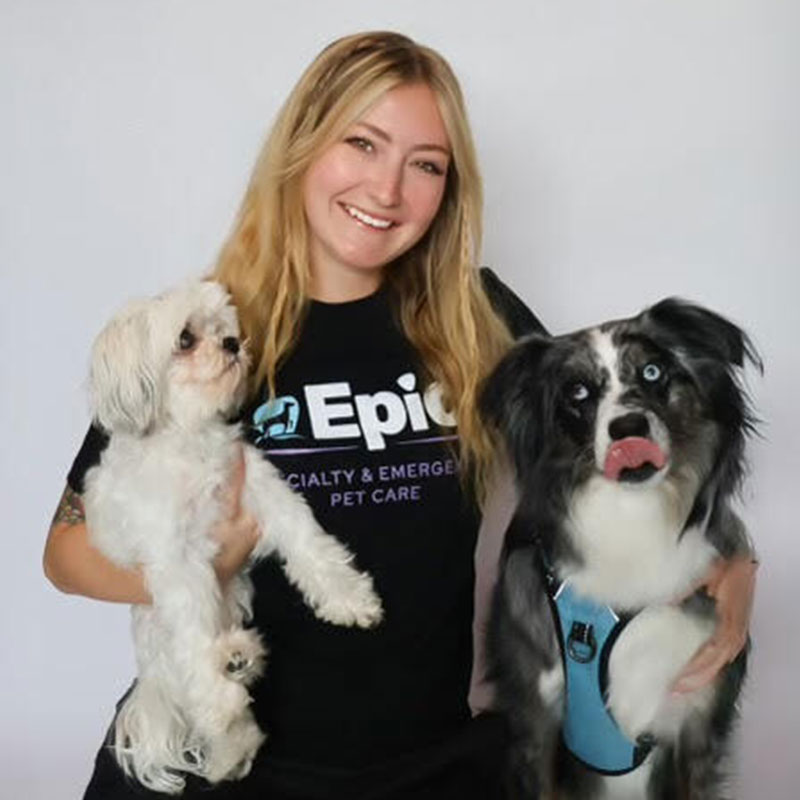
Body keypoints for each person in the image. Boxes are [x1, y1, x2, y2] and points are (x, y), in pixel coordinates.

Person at [43, 31, 757, 800]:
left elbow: (613, 450)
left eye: (425, 165)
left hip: (431, 765)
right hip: (218, 764)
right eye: (362, 144)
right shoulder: (211, 332)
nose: (387, 190)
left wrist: (732, 557)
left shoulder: (480, 319)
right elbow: (67, 552)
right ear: (305, 145)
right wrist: (207, 562)